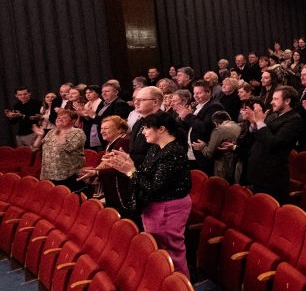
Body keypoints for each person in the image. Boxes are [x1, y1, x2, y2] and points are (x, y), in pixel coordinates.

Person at [100, 111, 192, 274]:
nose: (143, 132)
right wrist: (129, 162)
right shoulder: (156, 148)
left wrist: (130, 171)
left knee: (171, 255)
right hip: (155, 207)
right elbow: (145, 172)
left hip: (167, 209)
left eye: (147, 128)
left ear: (161, 129)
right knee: (159, 252)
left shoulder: (173, 153)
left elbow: (153, 187)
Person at [239, 86, 303, 202]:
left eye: (275, 99)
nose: (271, 102)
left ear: (287, 101)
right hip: (257, 171)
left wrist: (259, 122)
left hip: (271, 176)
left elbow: (273, 143)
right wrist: (253, 123)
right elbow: (259, 137)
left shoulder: (294, 120)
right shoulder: (272, 115)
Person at [31, 107, 85, 190]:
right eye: (58, 117)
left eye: (64, 118)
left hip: (68, 175)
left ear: (73, 121)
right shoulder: (51, 132)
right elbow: (34, 148)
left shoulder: (78, 132)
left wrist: (61, 131)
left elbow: (66, 148)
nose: (59, 119)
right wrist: (40, 136)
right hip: (49, 173)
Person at [202, 111, 241, 181]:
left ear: (215, 122)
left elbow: (209, 153)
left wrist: (202, 147)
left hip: (222, 168)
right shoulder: (238, 126)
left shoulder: (219, 130)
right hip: (235, 167)